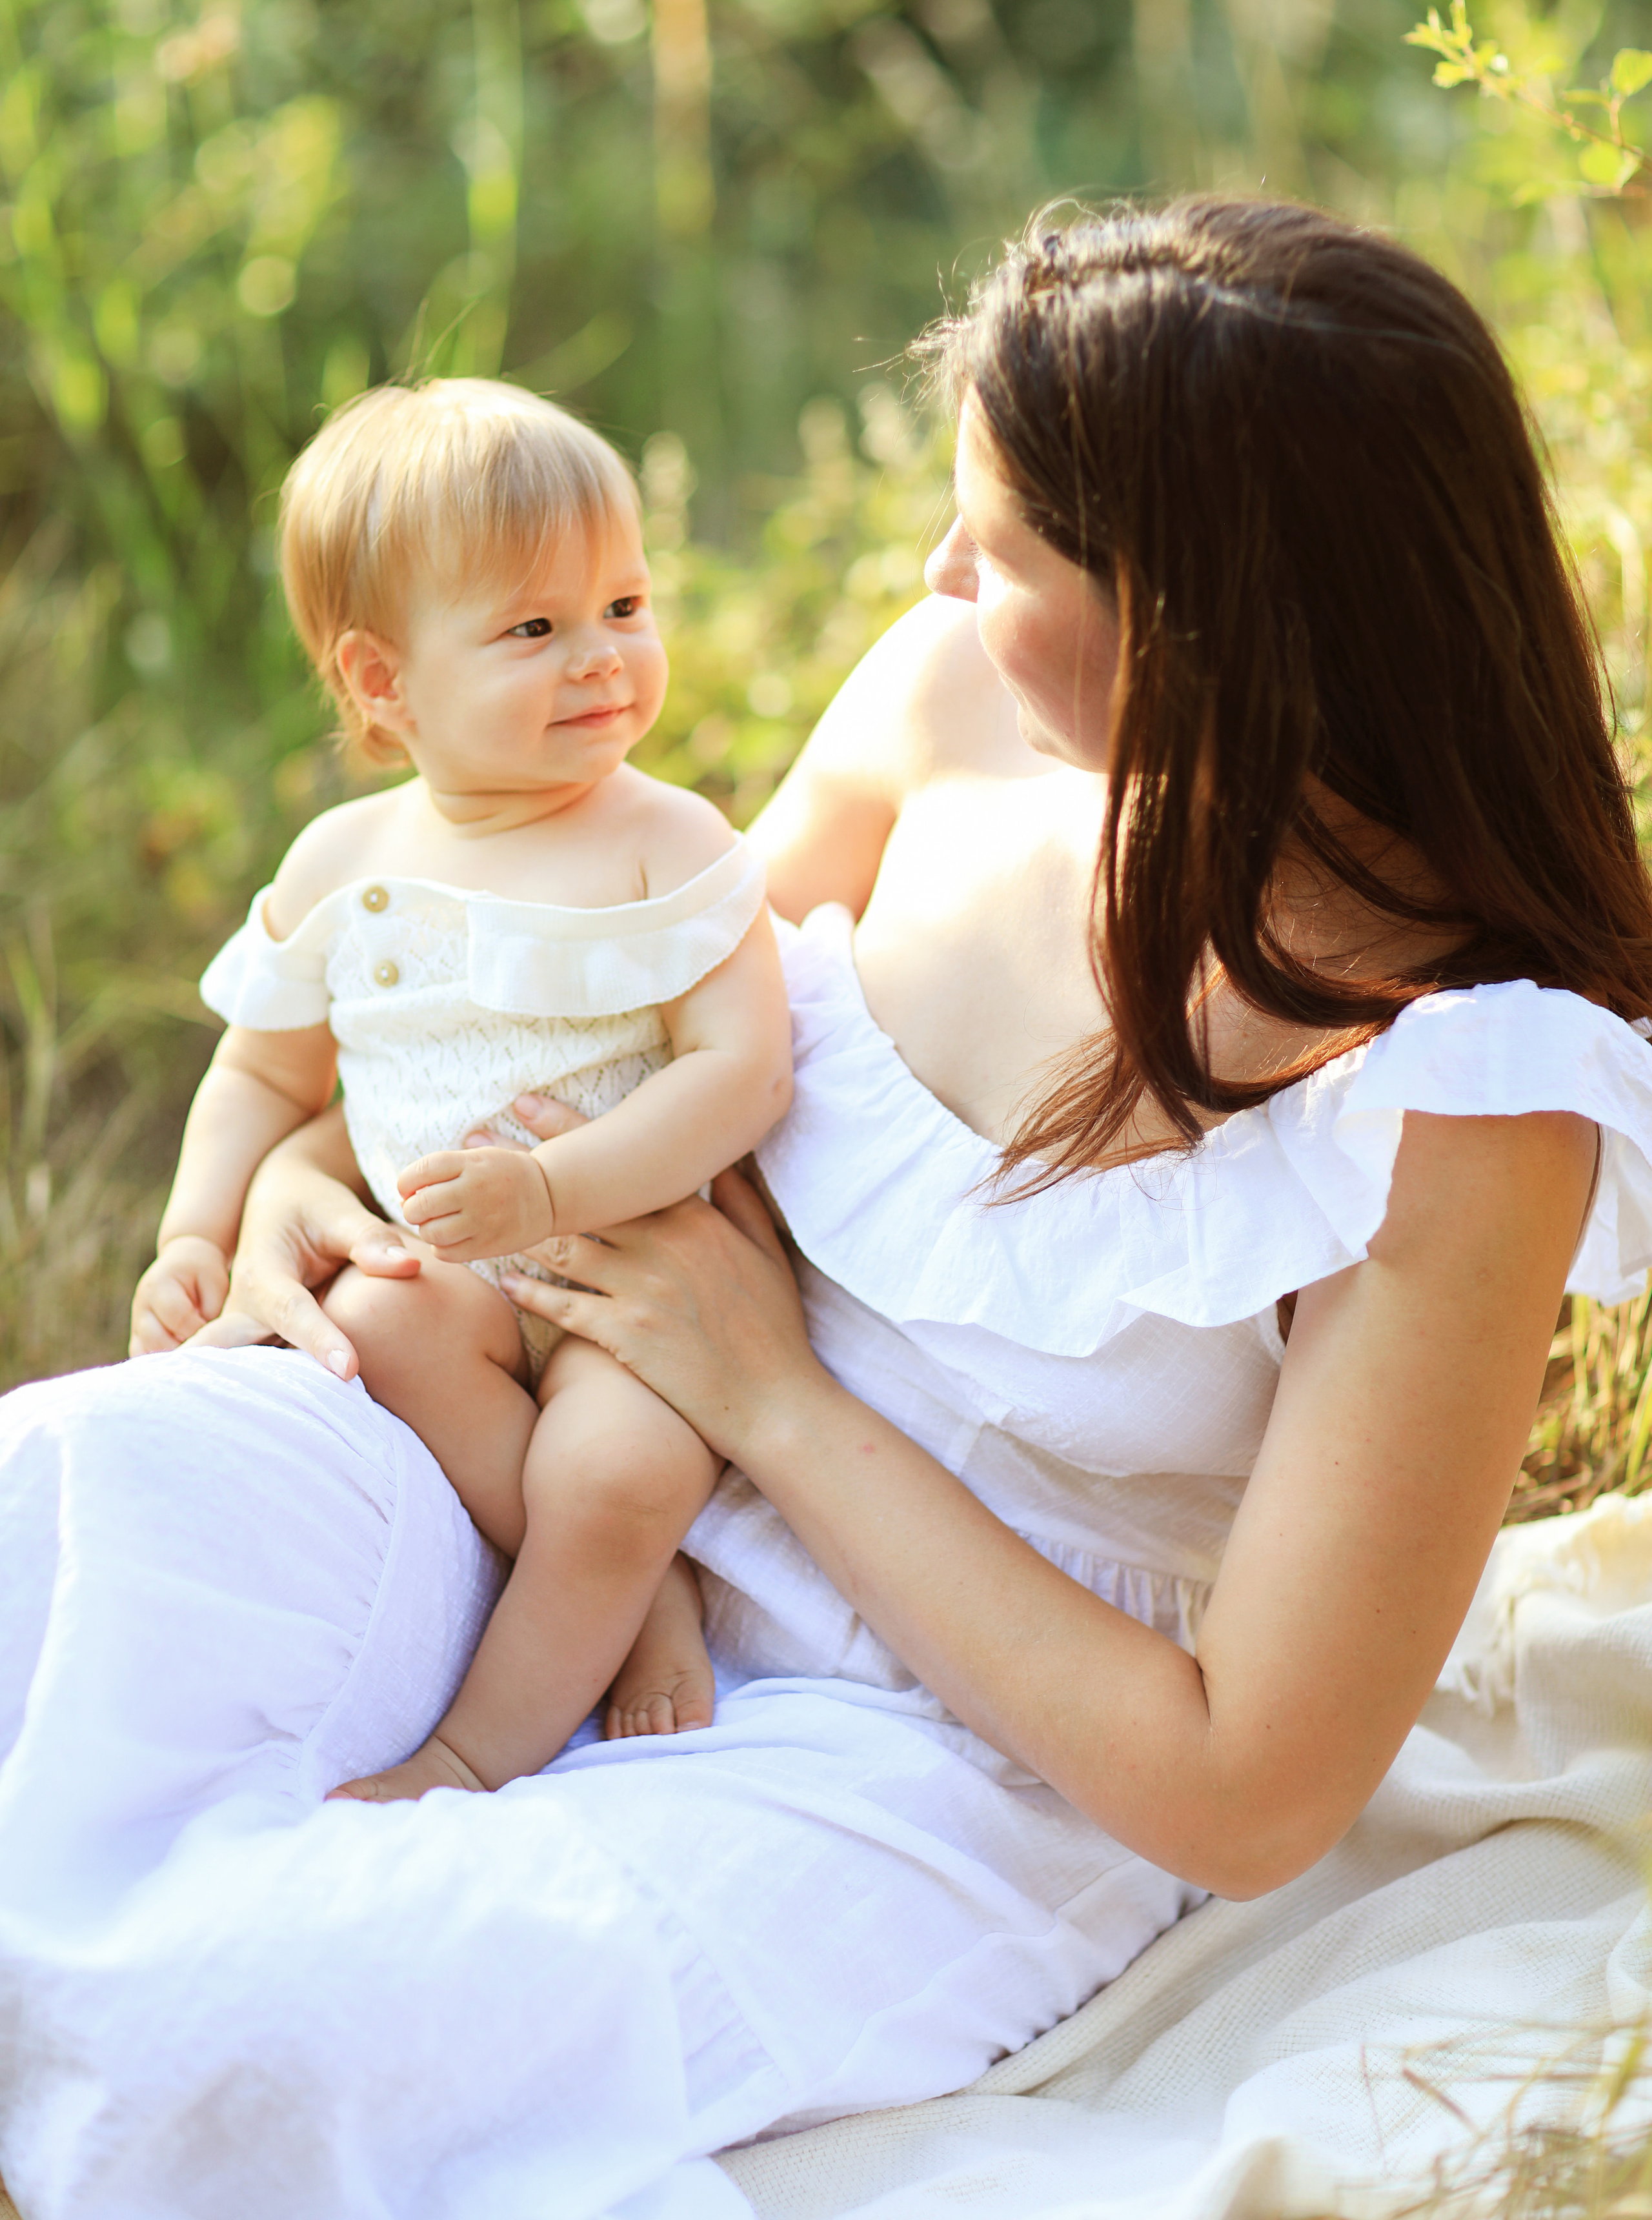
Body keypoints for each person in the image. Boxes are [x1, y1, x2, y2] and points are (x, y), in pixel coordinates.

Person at [6, 196, 1652, 2220]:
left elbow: (1249, 1792)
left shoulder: (1459, 1088)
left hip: (948, 1759)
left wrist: (779, 1404)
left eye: (1013, 545)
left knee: (264, 2029)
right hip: (551, 1458)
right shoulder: (952, 697)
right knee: (50, 1507)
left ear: (1206, 608)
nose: (948, 574)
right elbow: (611, 1026)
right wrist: (298, 1185)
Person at [126, 377, 792, 1799]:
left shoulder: (662, 843)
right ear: (383, 684)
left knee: (609, 1472)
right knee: (375, 1324)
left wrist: (558, 1186)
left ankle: (470, 1751)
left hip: (642, 1273)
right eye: (535, 629)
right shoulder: (340, 867)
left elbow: (741, 1069)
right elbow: (259, 1070)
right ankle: (630, 1596)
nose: (602, 658)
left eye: (624, 605)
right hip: (457, 1277)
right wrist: (194, 1231)